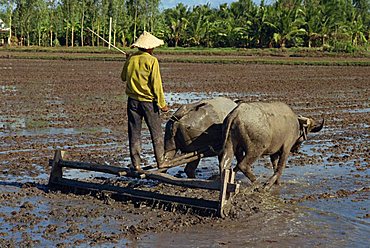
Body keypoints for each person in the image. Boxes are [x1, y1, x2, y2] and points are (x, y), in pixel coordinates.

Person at [121, 31, 169, 171]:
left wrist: (127, 61)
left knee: (134, 132)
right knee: (156, 133)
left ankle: (136, 163)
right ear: (149, 48)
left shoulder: (131, 59)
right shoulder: (151, 60)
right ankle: (161, 162)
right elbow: (156, 84)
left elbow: (123, 77)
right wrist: (162, 104)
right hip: (148, 102)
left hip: (132, 102)